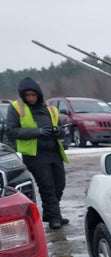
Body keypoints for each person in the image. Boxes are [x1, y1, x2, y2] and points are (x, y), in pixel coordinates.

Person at [5, 77, 69, 229]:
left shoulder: (51, 109)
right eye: (27, 95)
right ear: (23, 95)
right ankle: (54, 218)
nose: (31, 98)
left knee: (59, 184)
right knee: (47, 186)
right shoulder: (16, 107)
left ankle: (50, 213)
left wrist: (59, 132)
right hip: (34, 154)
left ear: (39, 94)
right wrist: (37, 132)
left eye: (33, 95)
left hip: (54, 151)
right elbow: (11, 131)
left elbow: (60, 128)